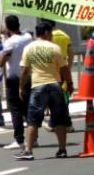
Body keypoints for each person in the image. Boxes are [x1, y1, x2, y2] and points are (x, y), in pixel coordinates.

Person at [13, 22, 74, 160]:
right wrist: (69, 84)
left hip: (38, 87)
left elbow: (24, 71)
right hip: (55, 85)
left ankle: (28, 151)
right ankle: (62, 149)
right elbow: (64, 69)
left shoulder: (29, 48)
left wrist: (21, 87)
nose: (52, 35)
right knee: (60, 119)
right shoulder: (54, 48)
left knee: (33, 120)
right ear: (46, 33)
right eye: (51, 33)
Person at [0, 15, 33, 150]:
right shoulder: (28, 37)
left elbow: (0, 63)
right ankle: (33, 138)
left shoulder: (9, 43)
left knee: (15, 110)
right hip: (28, 77)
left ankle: (19, 140)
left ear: (7, 27)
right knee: (27, 108)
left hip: (14, 78)